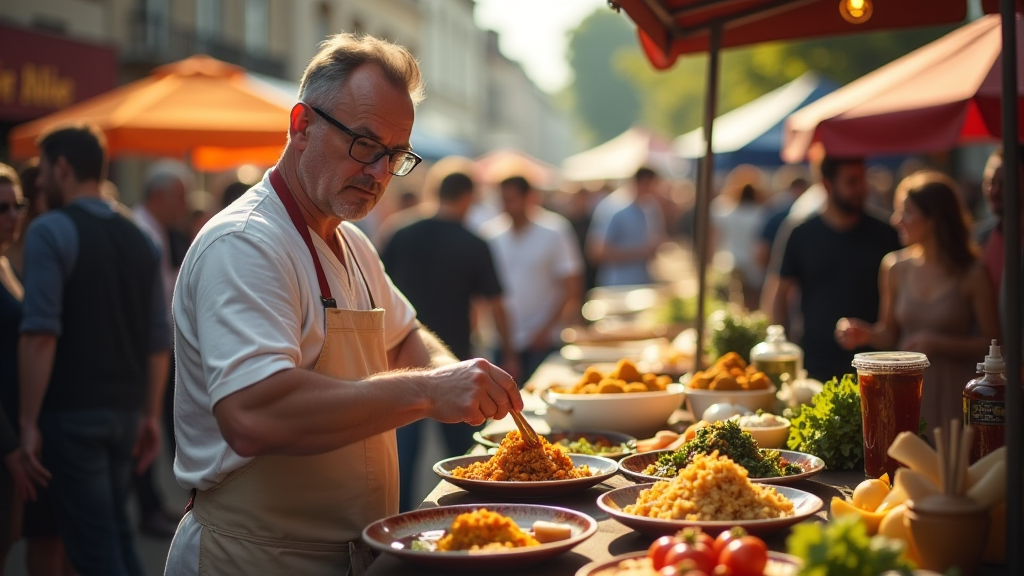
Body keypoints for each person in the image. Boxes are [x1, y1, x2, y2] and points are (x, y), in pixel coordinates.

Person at [164, 33, 521, 576]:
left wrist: (457, 378)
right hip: (256, 558)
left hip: (353, 554)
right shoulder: (245, 243)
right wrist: (429, 391)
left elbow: (404, 336)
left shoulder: (352, 243)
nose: (380, 172)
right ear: (301, 125)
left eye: (396, 155)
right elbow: (255, 412)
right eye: (364, 144)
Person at [18, 125, 170, 576]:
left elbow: (40, 333)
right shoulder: (141, 237)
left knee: (95, 551)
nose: (40, 181)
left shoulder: (51, 230)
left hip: (71, 414)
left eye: (44, 170)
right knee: (113, 535)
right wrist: (148, 416)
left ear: (62, 167)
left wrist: (26, 423)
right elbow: (157, 339)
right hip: (125, 416)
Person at [381, 169, 518, 512]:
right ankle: (469, 518)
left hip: (397, 361)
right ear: (469, 197)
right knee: (464, 460)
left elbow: (374, 297)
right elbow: (496, 305)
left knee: (399, 460)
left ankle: (395, 527)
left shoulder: (399, 231)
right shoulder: (473, 241)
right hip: (454, 359)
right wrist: (510, 351)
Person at [835, 171, 1001, 436]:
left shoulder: (972, 273)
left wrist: (938, 343)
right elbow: (889, 333)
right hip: (903, 391)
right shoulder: (894, 267)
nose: (896, 220)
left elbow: (993, 343)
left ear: (934, 218)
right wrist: (863, 332)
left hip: (953, 395)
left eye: (906, 212)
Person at [762, 155, 901, 382]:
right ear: (827, 184)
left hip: (877, 364)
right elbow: (778, 294)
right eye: (851, 181)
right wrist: (781, 351)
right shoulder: (800, 233)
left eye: (863, 180)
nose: (861, 189)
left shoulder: (886, 234)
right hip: (815, 365)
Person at [132, 160, 192, 538]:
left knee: (161, 425)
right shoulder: (143, 232)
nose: (183, 206)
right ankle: (147, 505)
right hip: (149, 350)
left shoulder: (159, 231)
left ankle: (152, 503)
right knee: (150, 425)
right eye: (179, 197)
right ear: (157, 195)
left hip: (162, 346)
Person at [481, 175, 584, 383]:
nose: (507, 206)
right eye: (503, 200)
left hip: (543, 340)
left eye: (511, 199)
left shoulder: (555, 230)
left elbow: (571, 284)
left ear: (529, 198)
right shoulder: (490, 234)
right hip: (502, 341)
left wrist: (546, 329)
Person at [586, 167, 667, 287]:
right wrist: (641, 252)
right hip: (617, 287)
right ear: (644, 183)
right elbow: (596, 253)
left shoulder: (648, 207)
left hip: (642, 282)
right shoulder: (613, 207)